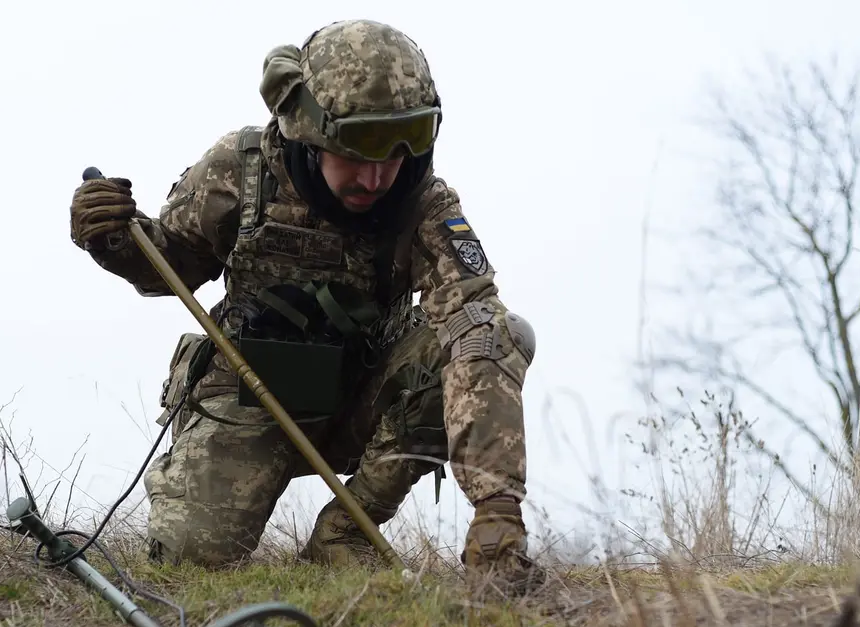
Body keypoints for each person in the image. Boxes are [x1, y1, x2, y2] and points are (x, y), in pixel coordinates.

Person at [68, 19, 539, 590]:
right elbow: (174, 266)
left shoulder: (424, 204)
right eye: (358, 147)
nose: (377, 175)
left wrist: (497, 509)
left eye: (400, 145)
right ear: (308, 131)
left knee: (497, 330)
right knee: (192, 562)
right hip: (249, 391)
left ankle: (345, 534)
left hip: (360, 395)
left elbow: (474, 319)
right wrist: (115, 238)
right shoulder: (239, 170)